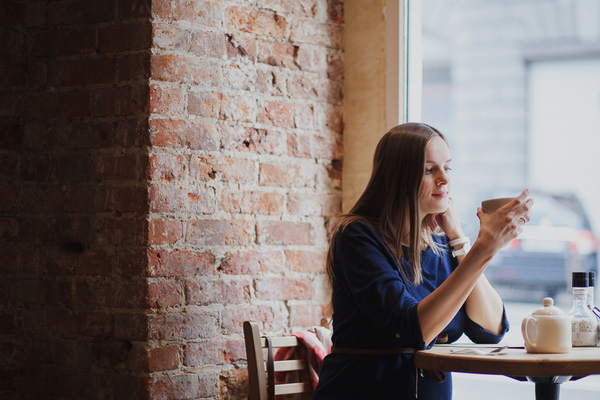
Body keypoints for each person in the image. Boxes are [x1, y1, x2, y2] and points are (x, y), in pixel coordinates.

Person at [312, 123, 533, 400]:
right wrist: (486, 247)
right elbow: (415, 330)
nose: (444, 179)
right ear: (397, 177)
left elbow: (490, 329)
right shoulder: (357, 237)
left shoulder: (442, 243)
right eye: (429, 170)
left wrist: (460, 239)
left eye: (447, 168)